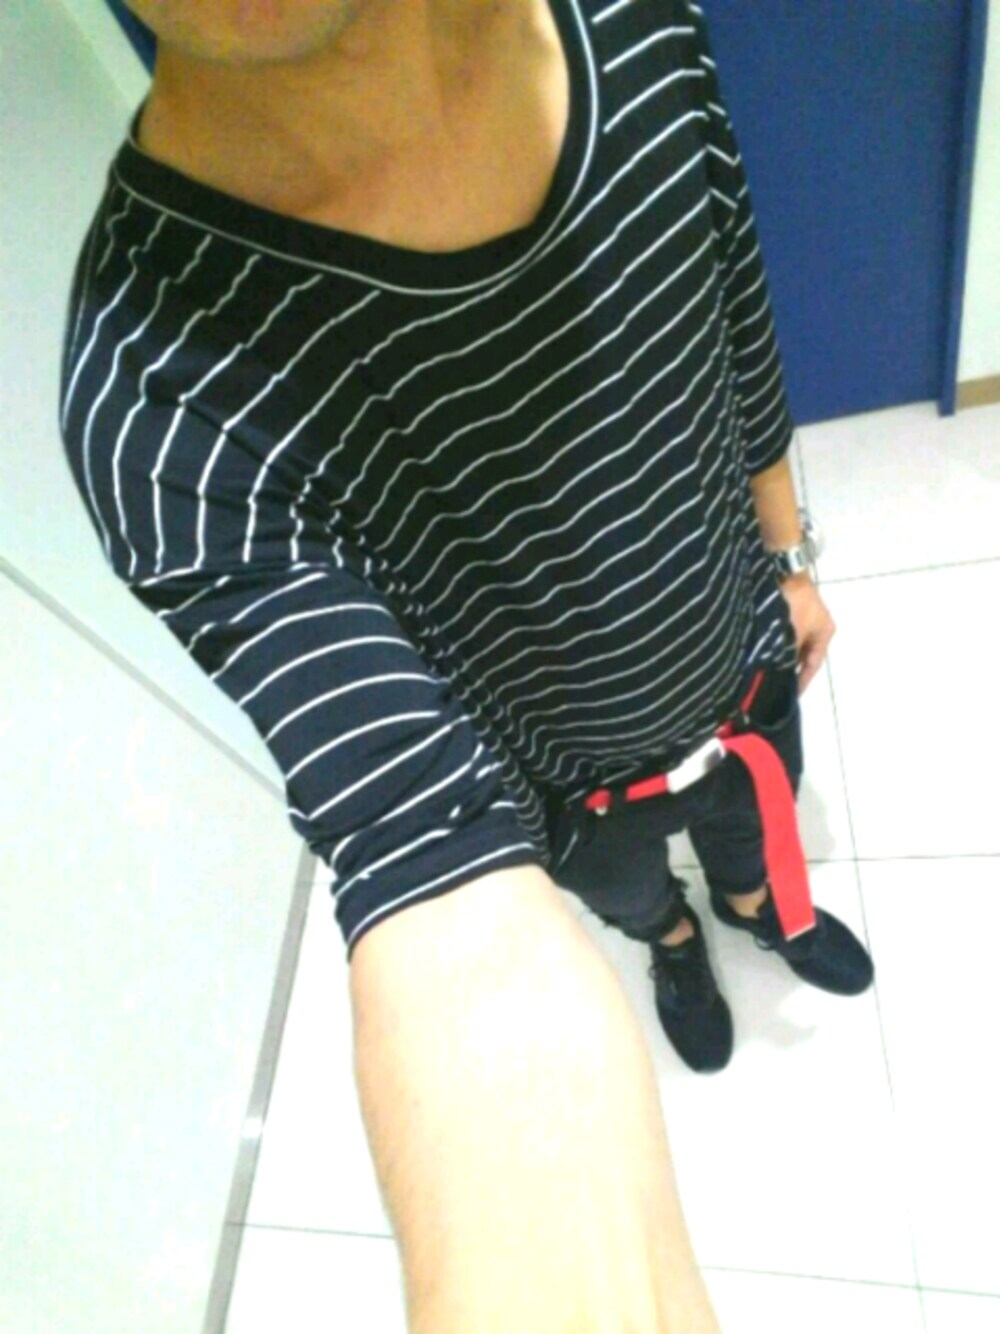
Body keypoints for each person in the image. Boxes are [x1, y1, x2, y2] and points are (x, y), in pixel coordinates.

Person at [57, 0, 873, 1328]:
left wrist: (791, 556)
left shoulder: (641, 25)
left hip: (741, 658)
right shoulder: (162, 396)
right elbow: (427, 868)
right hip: (572, 790)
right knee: (635, 897)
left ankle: (752, 910)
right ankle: (676, 944)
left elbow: (735, 318)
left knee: (749, 837)